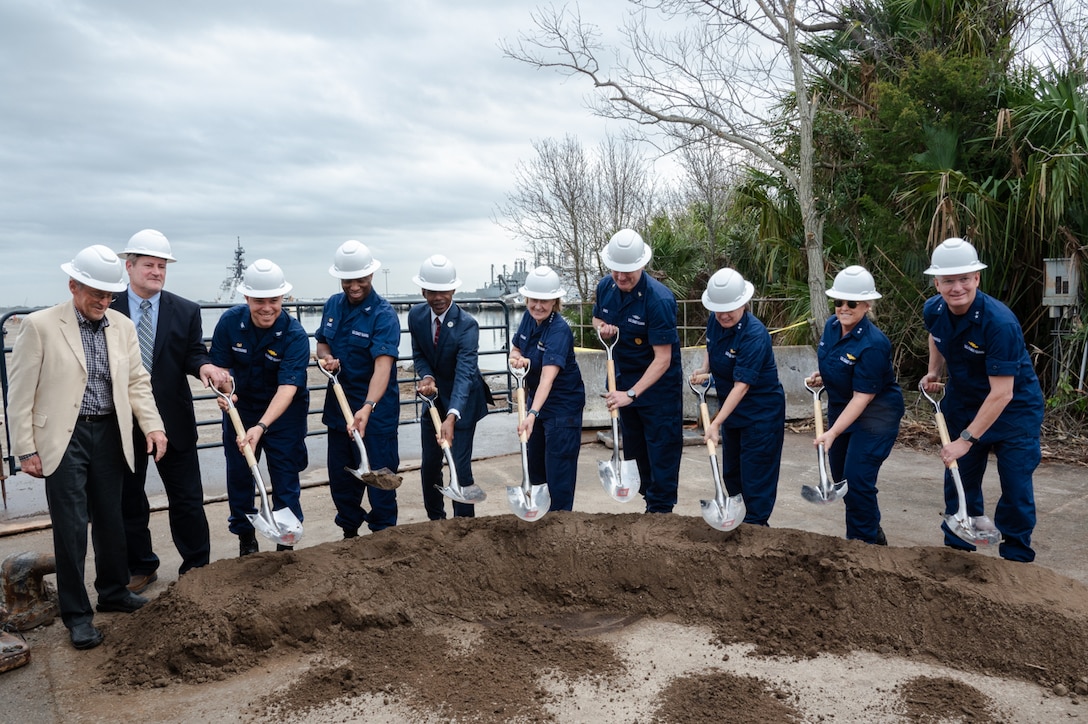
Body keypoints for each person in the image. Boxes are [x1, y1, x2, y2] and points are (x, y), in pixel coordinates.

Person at [7, 245, 168, 650]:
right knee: (72, 527)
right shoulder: (40, 325)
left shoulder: (122, 326)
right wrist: (25, 449)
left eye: (110, 294)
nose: (103, 301)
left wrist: (153, 426)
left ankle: (113, 592)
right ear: (73, 285)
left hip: (111, 433)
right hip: (64, 436)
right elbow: (19, 394)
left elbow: (136, 383)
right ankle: (77, 615)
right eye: (95, 292)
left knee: (112, 519)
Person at [111, 230, 230, 593]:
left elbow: (193, 353)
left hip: (172, 419)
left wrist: (205, 367)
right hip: (123, 420)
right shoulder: (109, 307)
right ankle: (141, 566)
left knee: (188, 499)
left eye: (162, 266)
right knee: (129, 499)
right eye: (149, 265)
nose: (157, 272)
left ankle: (197, 566)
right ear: (129, 267)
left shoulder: (186, 310)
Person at [920, 238, 1044, 562]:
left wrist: (966, 439)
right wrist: (934, 371)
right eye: (948, 280)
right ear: (937, 283)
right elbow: (936, 334)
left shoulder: (999, 323)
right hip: (964, 402)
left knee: (1016, 487)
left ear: (976, 278)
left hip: (1013, 410)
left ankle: (1016, 558)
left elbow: (1002, 393)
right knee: (960, 478)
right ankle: (960, 551)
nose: (956, 287)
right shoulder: (933, 309)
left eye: (964, 278)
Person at [209, 259, 310, 555]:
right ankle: (246, 539)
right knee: (240, 474)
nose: (267, 307)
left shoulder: (294, 334)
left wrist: (262, 426)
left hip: (284, 414)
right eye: (259, 300)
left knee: (284, 474)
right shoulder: (230, 322)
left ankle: (286, 542)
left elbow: (288, 388)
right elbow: (220, 369)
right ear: (247, 298)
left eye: (274, 300)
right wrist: (225, 391)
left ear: (283, 298)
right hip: (241, 411)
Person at [806, 265, 903, 545]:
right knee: (842, 480)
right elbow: (839, 362)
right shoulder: (831, 326)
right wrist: (824, 374)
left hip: (876, 416)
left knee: (857, 478)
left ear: (867, 304)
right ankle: (871, 530)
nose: (843, 308)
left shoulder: (874, 344)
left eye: (851, 303)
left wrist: (832, 433)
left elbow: (863, 397)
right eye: (839, 301)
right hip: (842, 408)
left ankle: (862, 544)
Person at [591, 229, 683, 513]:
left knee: (661, 451)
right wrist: (602, 329)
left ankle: (662, 510)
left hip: (658, 390)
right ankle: (648, 502)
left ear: (641, 265)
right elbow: (596, 317)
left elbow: (663, 359)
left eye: (628, 271)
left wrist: (632, 394)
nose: (621, 277)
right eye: (616, 270)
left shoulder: (659, 300)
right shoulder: (605, 287)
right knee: (636, 450)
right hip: (623, 382)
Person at [315, 240, 401, 537]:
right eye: (348, 280)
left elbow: (383, 368)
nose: (354, 286)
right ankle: (349, 535)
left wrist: (367, 406)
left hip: (375, 414)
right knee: (342, 481)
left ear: (372, 276)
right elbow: (322, 342)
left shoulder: (383, 315)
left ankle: (384, 537)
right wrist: (325, 358)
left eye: (360, 279)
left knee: (380, 483)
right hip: (339, 409)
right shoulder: (332, 305)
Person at [690, 268, 785, 525]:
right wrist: (705, 368)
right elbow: (712, 345)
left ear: (744, 302)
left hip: (760, 414)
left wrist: (715, 423)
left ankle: (756, 531)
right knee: (733, 475)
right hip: (733, 412)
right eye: (718, 309)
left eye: (729, 308)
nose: (723, 314)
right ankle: (739, 527)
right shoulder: (716, 320)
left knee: (755, 479)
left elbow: (741, 387)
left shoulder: (754, 334)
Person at [408, 255, 491, 519]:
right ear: (423, 290)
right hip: (434, 400)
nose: (438, 297)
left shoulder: (468, 325)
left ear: (453, 289)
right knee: (430, 465)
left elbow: (465, 374)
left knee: (459, 465)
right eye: (432, 291)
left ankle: (465, 526)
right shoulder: (416, 316)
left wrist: (452, 415)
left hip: (463, 402)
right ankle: (436, 522)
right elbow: (419, 353)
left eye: (444, 290)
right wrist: (427, 377)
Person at [508, 265, 586, 511]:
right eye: (533, 300)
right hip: (538, 403)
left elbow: (547, 379)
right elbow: (516, 349)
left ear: (555, 301)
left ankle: (561, 521)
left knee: (558, 469)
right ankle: (540, 519)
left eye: (545, 300)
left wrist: (531, 414)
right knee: (535, 465)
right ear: (526, 298)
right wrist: (517, 360)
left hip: (563, 407)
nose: (538, 306)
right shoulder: (528, 319)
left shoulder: (559, 330)